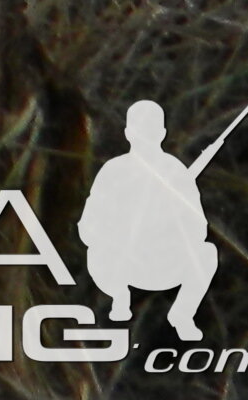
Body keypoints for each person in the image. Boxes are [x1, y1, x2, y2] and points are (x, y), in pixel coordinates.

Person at [81, 99, 224, 341]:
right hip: (120, 264)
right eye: (139, 131)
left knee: (206, 254)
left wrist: (169, 223)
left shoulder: (175, 172)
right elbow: (88, 225)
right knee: (99, 255)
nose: (144, 138)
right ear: (128, 133)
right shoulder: (113, 172)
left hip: (161, 261)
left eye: (150, 131)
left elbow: (198, 227)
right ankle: (119, 299)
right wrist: (119, 234)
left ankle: (182, 314)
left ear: (162, 133)